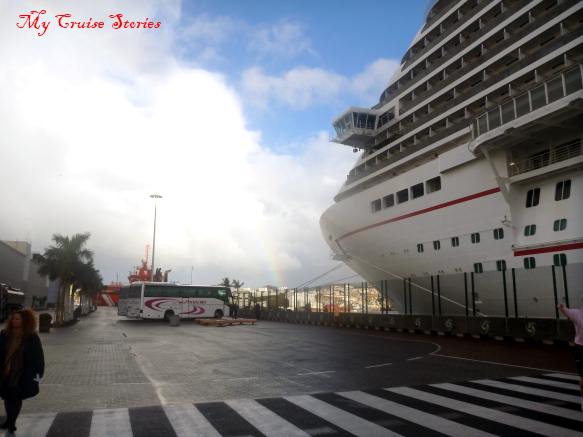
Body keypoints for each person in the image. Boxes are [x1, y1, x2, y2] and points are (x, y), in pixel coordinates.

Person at [0, 309, 45, 433]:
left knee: (15, 398)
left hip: (22, 374)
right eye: (13, 318)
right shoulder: (5, 334)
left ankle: (12, 423)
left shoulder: (31, 337)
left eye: (17, 319)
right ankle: (9, 420)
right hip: (6, 372)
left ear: (24, 321)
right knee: (7, 397)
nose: (14, 321)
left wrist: (38, 375)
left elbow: (38, 358)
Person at [558, 303, 583, 411]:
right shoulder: (576, 313)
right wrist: (561, 307)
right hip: (581, 348)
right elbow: (563, 309)